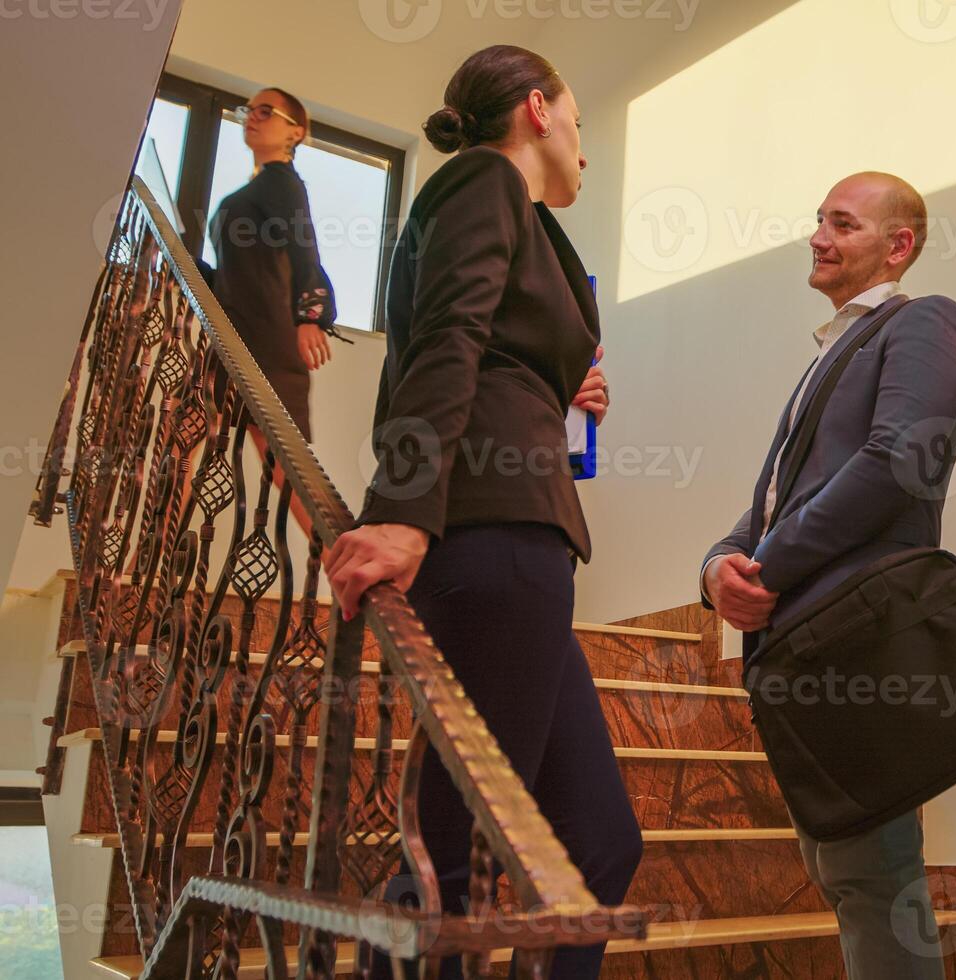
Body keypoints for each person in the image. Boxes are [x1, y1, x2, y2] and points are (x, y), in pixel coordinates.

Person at [324, 45, 638, 980]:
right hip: (490, 536)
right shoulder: (482, 180)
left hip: (524, 533)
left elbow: (486, 338)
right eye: (579, 121)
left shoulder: (523, 216)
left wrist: (557, 384)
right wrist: (402, 510)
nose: (585, 145)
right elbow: (446, 336)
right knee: (448, 857)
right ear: (538, 110)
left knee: (600, 844)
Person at [700, 172, 956, 980]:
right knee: (844, 874)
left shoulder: (926, 321)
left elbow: (899, 462)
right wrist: (719, 567)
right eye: (819, 221)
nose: (818, 237)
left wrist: (770, 571)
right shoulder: (829, 355)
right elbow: (775, 502)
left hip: (863, 651)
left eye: (842, 224)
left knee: (873, 878)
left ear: (899, 245)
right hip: (807, 658)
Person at [205, 87, 340, 439]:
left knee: (283, 473)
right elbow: (236, 276)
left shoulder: (282, 182)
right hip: (234, 336)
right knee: (187, 437)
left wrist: (311, 317)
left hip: (267, 343)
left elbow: (304, 246)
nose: (251, 117)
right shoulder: (256, 189)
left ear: (295, 132)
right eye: (247, 110)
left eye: (265, 111)